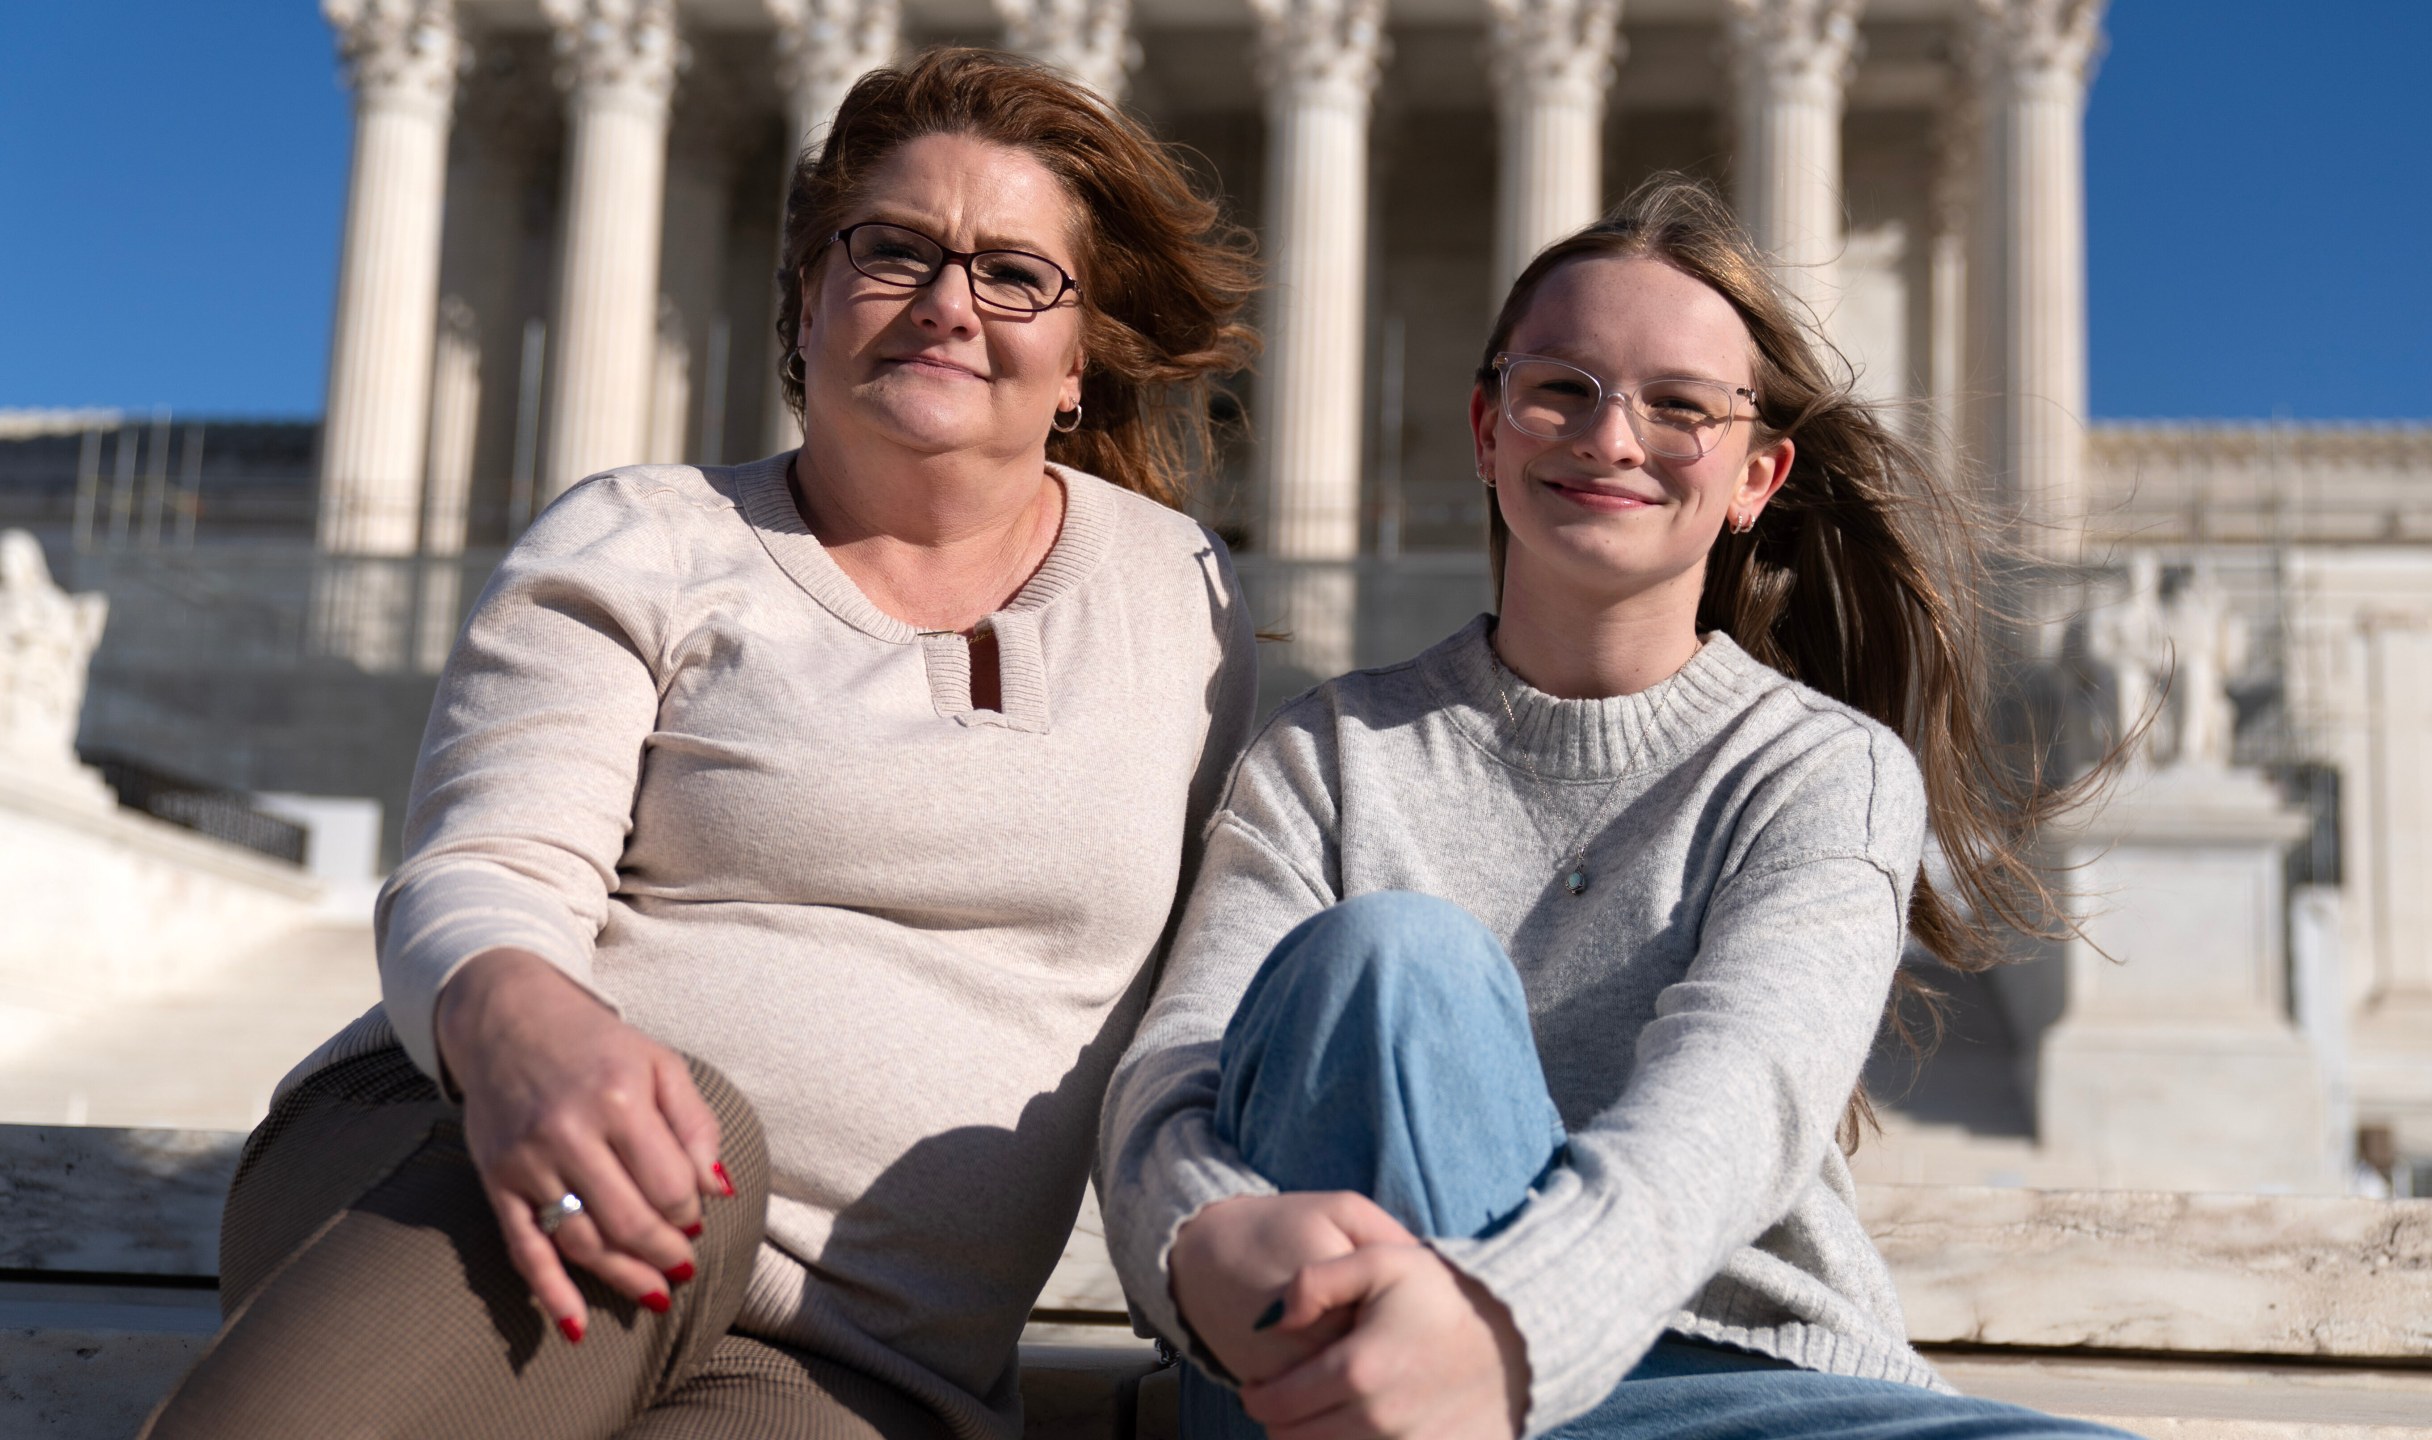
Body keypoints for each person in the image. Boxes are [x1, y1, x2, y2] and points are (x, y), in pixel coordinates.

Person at [147, 48, 1258, 1440]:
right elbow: (487, 862)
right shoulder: (647, 535)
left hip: (866, 1352)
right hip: (475, 1147)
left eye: (1014, 272)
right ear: (804, 299)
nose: (946, 303)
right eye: (892, 249)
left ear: (1080, 357)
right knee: (692, 1137)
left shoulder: (1184, 604)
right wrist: (525, 1033)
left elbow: (1216, 990)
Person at [1099, 176, 2130, 1440]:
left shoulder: (1821, 769)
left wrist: (1500, 1334)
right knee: (1393, 958)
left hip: (1712, 1372)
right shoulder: (1327, 755)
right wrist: (1199, 1236)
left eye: (1680, 407)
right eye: (1560, 389)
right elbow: (1179, 1064)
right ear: (1486, 431)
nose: (1611, 436)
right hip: (1346, 1364)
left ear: (1757, 475)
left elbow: (1735, 1101)